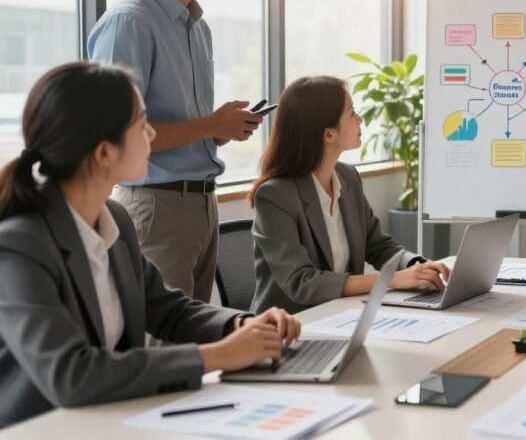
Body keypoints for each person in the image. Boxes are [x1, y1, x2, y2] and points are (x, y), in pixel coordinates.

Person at [0, 62, 301, 428]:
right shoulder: (19, 245)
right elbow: (71, 374)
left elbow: (168, 309)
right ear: (104, 153)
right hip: (43, 428)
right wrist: (218, 356)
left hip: (113, 417)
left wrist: (241, 325)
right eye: (142, 123)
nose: (152, 133)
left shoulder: (115, 220)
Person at [88, 0, 261, 303]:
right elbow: (113, 136)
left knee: (195, 342)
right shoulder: (130, 22)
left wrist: (218, 131)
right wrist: (210, 125)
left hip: (201, 205)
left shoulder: (197, 27)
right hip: (155, 207)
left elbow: (179, 124)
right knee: (163, 346)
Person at [249, 76, 451, 314]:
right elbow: (301, 282)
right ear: (328, 134)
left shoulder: (347, 177)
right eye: (352, 112)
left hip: (343, 313)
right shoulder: (275, 195)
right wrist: (390, 280)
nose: (360, 119)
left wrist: (418, 265)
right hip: (291, 325)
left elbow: (376, 245)